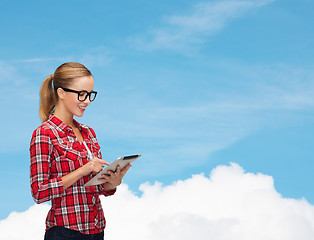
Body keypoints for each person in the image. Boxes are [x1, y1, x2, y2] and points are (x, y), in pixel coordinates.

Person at [30, 62, 131, 240]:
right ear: (61, 93)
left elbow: (97, 187)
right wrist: (84, 169)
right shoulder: (44, 134)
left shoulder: (88, 132)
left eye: (90, 95)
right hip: (64, 232)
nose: (87, 101)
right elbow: (39, 192)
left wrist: (113, 182)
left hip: (96, 230)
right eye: (81, 94)